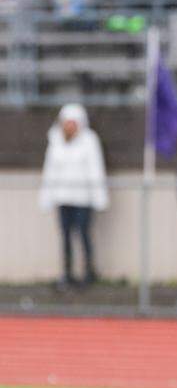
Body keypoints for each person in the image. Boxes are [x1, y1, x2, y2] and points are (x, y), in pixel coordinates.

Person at [39, 103, 108, 288]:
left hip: (83, 199)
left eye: (73, 123)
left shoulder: (89, 141)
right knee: (65, 236)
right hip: (63, 197)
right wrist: (46, 197)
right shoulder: (55, 141)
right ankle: (67, 273)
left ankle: (88, 272)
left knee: (84, 234)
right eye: (66, 123)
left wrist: (99, 197)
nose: (69, 126)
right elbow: (50, 171)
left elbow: (96, 170)